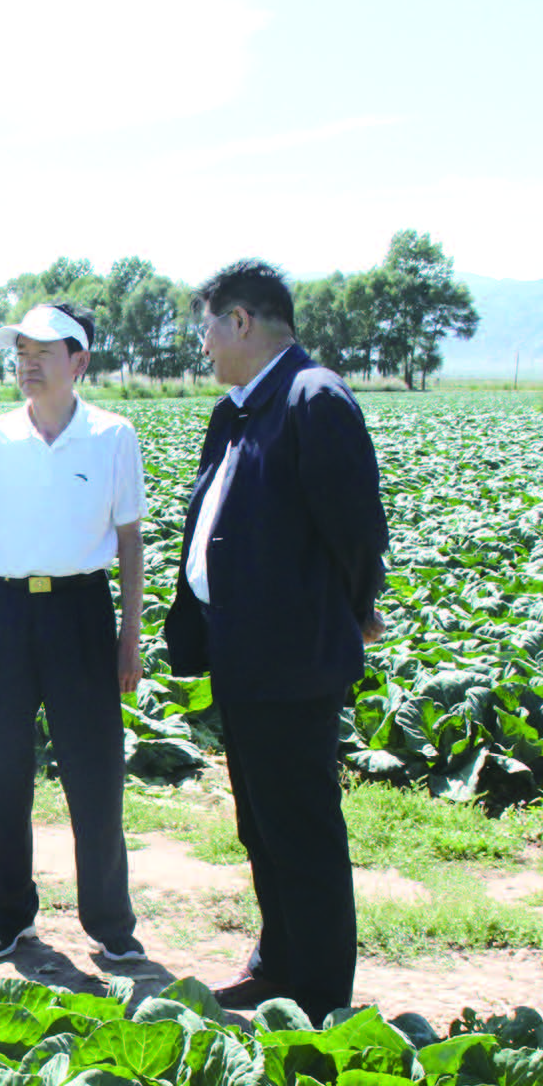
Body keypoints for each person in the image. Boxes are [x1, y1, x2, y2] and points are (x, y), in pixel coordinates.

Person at [162, 260, 388, 1023]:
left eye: (206, 330)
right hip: (243, 651)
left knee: (301, 824)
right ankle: (277, 966)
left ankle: (320, 995)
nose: (203, 348)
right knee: (261, 821)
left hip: (291, 656)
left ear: (241, 322)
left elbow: (356, 530)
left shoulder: (310, 398)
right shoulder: (243, 410)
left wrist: (349, 610)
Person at [0, 301, 147, 969]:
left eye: (43, 350)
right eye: (19, 351)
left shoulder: (112, 435)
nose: (27, 362)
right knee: (4, 773)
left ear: (79, 361)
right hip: (7, 614)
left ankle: (109, 923)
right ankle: (7, 918)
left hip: (80, 615)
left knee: (94, 774)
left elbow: (128, 539)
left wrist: (130, 636)